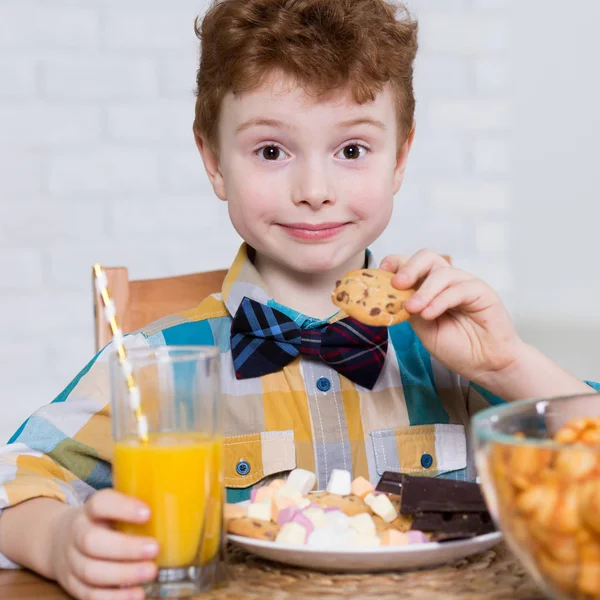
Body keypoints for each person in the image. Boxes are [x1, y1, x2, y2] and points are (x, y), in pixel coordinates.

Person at [0, 0, 596, 598]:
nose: (314, 190)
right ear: (213, 160)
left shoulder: (455, 353)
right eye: (270, 151)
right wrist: (59, 541)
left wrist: (508, 364)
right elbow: (14, 484)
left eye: (352, 151)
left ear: (401, 158)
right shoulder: (154, 367)